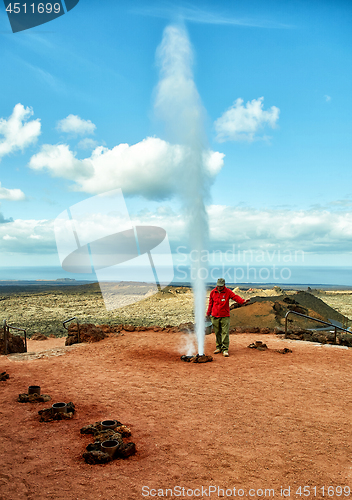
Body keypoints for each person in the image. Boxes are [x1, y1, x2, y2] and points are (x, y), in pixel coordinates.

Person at [206, 278, 249, 357]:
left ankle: (225, 349)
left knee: (225, 333)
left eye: (221, 286)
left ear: (224, 285)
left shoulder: (228, 292)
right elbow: (210, 304)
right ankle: (218, 347)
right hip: (215, 316)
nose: (219, 287)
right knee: (217, 333)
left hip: (225, 316)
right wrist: (208, 313)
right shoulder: (213, 292)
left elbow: (235, 297)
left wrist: (242, 301)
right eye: (218, 286)